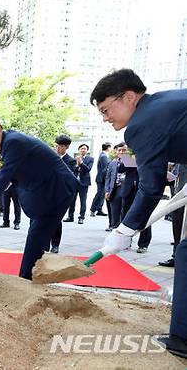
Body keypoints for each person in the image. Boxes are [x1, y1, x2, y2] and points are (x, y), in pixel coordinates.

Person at [90, 68, 187, 358]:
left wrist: (125, 229)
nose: (106, 118)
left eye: (106, 109)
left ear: (129, 97)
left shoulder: (141, 123)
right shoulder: (164, 105)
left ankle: (182, 338)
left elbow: (151, 186)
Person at [0, 112, 79, 279]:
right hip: (43, 189)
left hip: (58, 189)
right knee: (38, 234)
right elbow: (11, 174)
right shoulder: (7, 143)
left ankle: (26, 280)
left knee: (37, 235)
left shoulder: (13, 142)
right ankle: (36, 273)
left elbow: (5, 175)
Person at [52, 134, 76, 253]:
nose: (58, 149)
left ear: (66, 147)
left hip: (61, 194)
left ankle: (55, 244)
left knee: (56, 219)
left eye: (61, 146)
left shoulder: (70, 161)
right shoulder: (50, 157)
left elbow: (69, 177)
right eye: (56, 146)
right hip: (47, 193)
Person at [68, 143, 94, 224]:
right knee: (72, 200)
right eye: (81, 148)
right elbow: (73, 169)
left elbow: (88, 169)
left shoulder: (90, 159)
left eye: (85, 148)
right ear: (79, 150)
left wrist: (81, 163)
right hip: (75, 181)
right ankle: (70, 216)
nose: (83, 150)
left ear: (87, 150)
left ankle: (81, 217)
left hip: (84, 182)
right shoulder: (74, 158)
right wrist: (77, 164)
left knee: (83, 200)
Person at [90, 143, 112, 217]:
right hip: (101, 179)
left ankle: (99, 210)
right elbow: (106, 168)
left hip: (102, 178)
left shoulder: (103, 155)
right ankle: (93, 210)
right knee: (100, 194)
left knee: (102, 194)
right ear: (108, 148)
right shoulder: (103, 156)